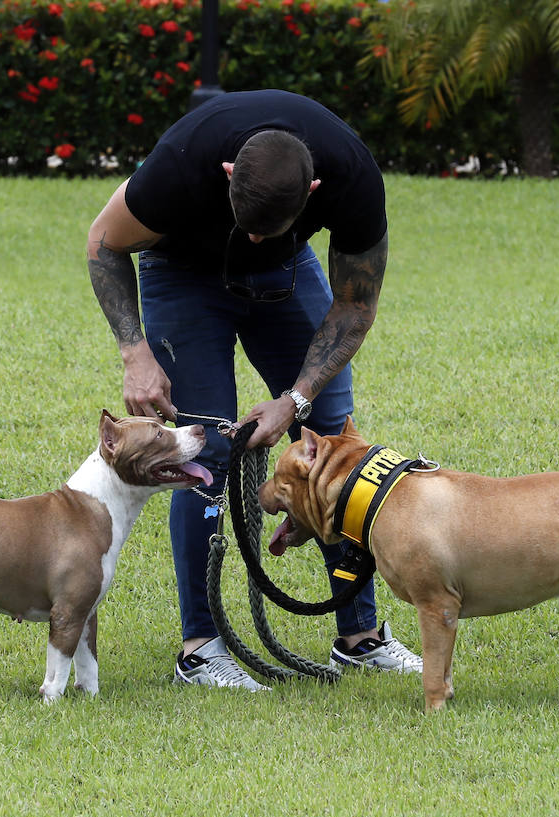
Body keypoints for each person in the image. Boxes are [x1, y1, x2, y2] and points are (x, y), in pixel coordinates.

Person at [85, 89, 421, 691]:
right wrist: (136, 353)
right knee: (199, 448)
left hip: (287, 278)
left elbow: (355, 304)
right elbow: (104, 242)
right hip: (181, 273)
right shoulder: (184, 159)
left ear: (313, 192)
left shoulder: (352, 175)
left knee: (334, 437)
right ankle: (201, 649)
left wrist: (296, 400)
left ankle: (360, 636)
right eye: (250, 226)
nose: (256, 238)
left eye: (273, 227)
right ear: (228, 173)